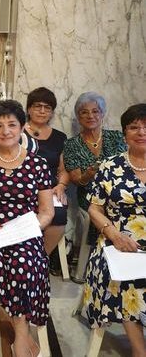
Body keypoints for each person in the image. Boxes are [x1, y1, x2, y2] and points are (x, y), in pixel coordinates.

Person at [0, 99, 54, 357]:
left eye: (12, 125)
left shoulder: (38, 164)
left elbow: (46, 211)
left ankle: (20, 334)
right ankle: (22, 333)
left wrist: (28, 229)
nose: (5, 131)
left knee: (24, 265)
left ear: (22, 127)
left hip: (25, 232)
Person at [83, 103, 146, 357]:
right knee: (128, 281)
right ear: (124, 134)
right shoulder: (110, 166)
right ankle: (139, 350)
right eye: (134, 127)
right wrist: (113, 234)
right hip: (117, 239)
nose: (141, 132)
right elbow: (94, 209)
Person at [63, 92, 126, 281]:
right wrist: (89, 174)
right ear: (78, 116)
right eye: (84, 112)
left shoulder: (117, 137)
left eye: (95, 111)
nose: (90, 116)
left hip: (118, 194)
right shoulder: (72, 144)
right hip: (89, 197)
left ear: (102, 113)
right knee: (95, 213)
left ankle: (125, 264)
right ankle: (89, 267)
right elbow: (77, 180)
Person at [24, 87, 69, 271]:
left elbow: (63, 170)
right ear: (29, 109)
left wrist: (61, 185)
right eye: (37, 106)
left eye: (47, 107)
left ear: (52, 112)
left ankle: (40, 261)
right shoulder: (16, 132)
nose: (42, 111)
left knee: (59, 215)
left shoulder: (60, 137)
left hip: (49, 190)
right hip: (22, 188)